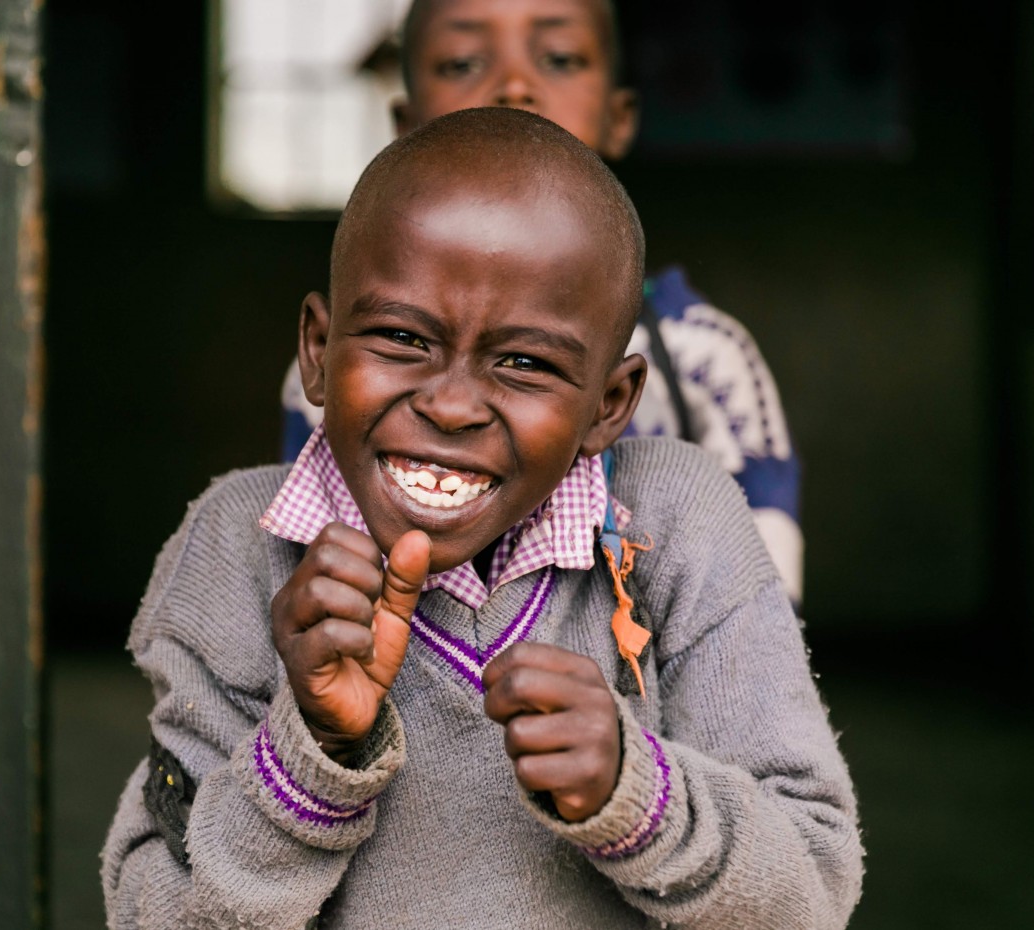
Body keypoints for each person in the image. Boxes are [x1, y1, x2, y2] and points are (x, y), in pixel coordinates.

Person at [104, 108, 861, 928]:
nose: (453, 404)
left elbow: (811, 893)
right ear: (317, 350)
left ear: (610, 404)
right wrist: (312, 754)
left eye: (526, 362)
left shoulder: (675, 526)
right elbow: (152, 913)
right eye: (402, 337)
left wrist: (638, 794)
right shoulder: (239, 548)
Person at [280, 0, 805, 603]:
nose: (514, 86)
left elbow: (760, 620)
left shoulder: (709, 362)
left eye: (558, 59)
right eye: (461, 63)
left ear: (619, 117)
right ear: (404, 122)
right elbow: (311, 576)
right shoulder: (343, 370)